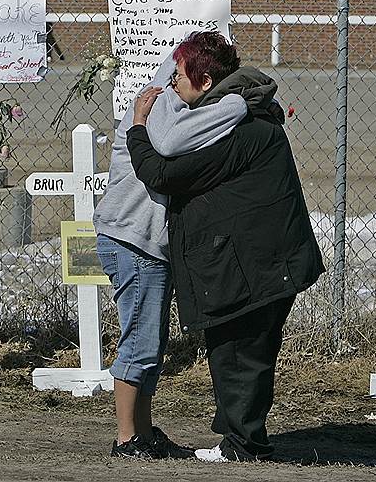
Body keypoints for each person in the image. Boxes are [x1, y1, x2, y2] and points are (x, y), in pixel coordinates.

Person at [126, 31, 325, 462]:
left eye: (179, 75)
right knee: (243, 353)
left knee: (239, 354)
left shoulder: (237, 130)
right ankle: (241, 437)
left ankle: (243, 446)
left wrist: (138, 128)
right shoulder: (244, 119)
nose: (173, 85)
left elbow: (163, 174)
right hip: (262, 262)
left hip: (255, 265)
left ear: (204, 80)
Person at [92, 34, 251, 459]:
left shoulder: (181, 106)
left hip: (146, 244)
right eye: (178, 72)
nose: (172, 79)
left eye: (180, 73)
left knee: (152, 343)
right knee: (140, 343)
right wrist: (237, 104)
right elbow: (168, 144)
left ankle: (142, 431)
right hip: (132, 239)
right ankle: (126, 438)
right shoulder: (161, 105)